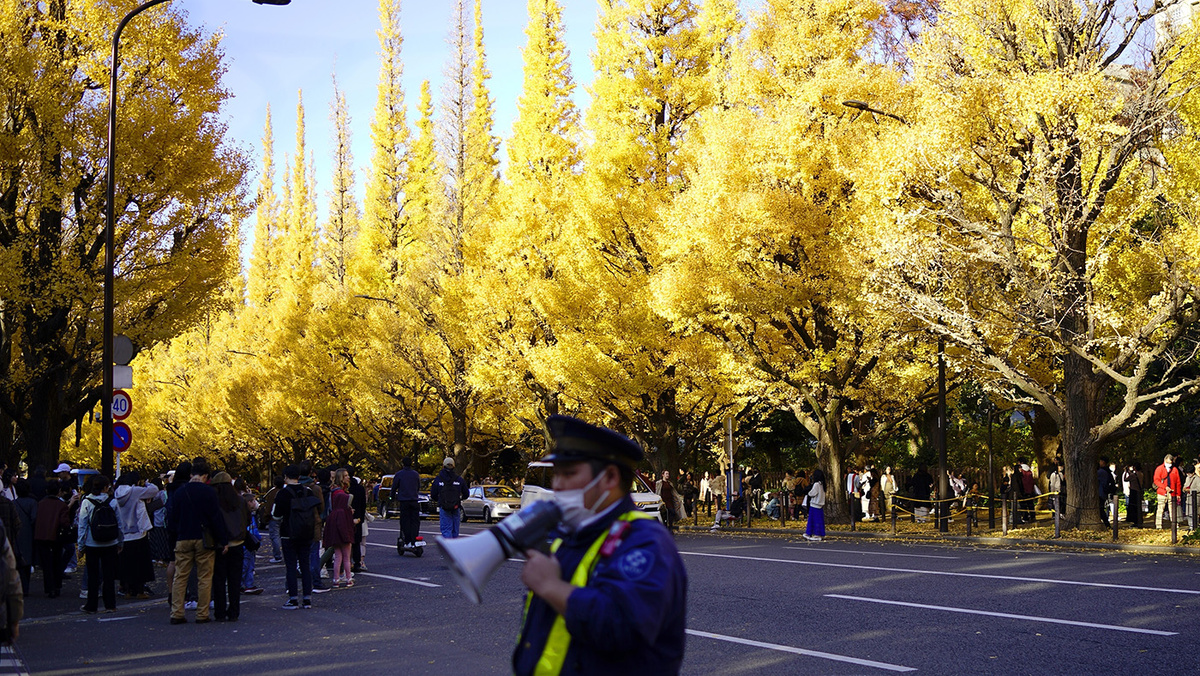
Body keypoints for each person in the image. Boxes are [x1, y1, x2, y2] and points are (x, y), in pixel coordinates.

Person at [513, 415, 687, 676]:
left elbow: (622, 627)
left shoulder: (645, 541)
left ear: (610, 477)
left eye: (569, 473)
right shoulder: (573, 534)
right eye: (557, 474)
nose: (557, 485)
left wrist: (551, 587)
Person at [166, 458, 227, 624]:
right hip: (203, 538)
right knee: (205, 577)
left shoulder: (180, 492)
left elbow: (172, 518)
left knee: (181, 576)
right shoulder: (209, 492)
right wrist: (223, 539)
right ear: (206, 476)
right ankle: (202, 613)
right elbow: (216, 518)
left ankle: (177, 613)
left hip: (182, 537)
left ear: (191, 475)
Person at [273, 465, 319, 610]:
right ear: (298, 476)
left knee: (291, 566)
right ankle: (307, 598)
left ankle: (293, 598)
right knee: (305, 565)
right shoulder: (308, 491)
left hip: (288, 533)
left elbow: (276, 515)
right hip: (306, 532)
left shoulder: (282, 493)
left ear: (285, 477)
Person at [77, 474, 124, 614]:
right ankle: (110, 605)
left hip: (92, 542)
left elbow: (82, 525)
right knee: (109, 574)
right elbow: (119, 524)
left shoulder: (87, 501)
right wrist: (120, 541)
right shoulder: (112, 502)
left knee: (93, 575)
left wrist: (81, 546)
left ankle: (91, 605)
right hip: (110, 542)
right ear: (105, 487)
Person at [210, 472, 249, 622]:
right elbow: (247, 520)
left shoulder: (215, 502)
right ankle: (234, 611)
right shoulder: (240, 501)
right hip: (238, 543)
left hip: (220, 544)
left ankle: (220, 611)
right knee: (234, 580)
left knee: (219, 580)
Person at [114, 472, 157, 599]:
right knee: (140, 564)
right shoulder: (135, 491)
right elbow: (154, 490)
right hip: (138, 532)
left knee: (126, 563)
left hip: (123, 533)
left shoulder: (117, 493)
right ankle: (139, 591)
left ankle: (127, 590)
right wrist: (147, 483)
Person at [323, 470, 355, 587]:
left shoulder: (333, 492)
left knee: (337, 556)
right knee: (346, 556)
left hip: (334, 525)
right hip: (344, 526)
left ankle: (336, 579)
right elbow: (346, 512)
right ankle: (348, 578)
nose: (348, 477)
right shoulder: (343, 495)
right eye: (345, 475)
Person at [430, 457, 468, 539]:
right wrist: (459, 499)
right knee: (455, 530)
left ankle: (448, 544)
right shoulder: (459, 479)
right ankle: (454, 544)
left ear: (443, 466)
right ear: (453, 466)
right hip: (456, 506)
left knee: (446, 529)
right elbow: (466, 493)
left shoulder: (438, 479)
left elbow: (433, 494)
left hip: (444, 506)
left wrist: (440, 500)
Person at [13, 480, 36, 596]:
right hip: (29, 533)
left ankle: (19, 586)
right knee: (27, 560)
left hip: (16, 534)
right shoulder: (32, 503)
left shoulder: (13, 503)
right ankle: (25, 587)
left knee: (17, 560)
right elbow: (34, 518)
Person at [392, 457, 421, 548]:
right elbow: (418, 486)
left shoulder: (399, 474)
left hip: (404, 500)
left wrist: (392, 497)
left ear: (403, 464)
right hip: (414, 500)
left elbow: (394, 487)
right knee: (415, 521)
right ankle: (414, 538)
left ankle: (407, 540)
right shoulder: (415, 474)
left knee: (405, 521)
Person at [1153, 454, 1184, 529]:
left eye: (1170, 463)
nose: (1169, 464)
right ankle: (1158, 525)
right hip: (1162, 492)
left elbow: (1178, 483)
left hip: (1172, 492)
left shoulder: (1174, 470)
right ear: (1164, 461)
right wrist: (1164, 487)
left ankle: (1174, 524)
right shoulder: (1159, 469)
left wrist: (1178, 494)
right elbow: (1156, 481)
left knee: (1172, 509)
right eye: (1167, 462)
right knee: (1160, 509)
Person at [347, 473, 367, 573]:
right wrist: (362, 518)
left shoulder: (345, 489)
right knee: (356, 542)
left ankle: (346, 564)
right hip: (358, 517)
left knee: (346, 542)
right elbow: (363, 504)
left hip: (347, 517)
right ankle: (357, 562)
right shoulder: (360, 488)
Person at [803, 469, 826, 541]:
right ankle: (820, 533)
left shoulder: (816, 484)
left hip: (814, 504)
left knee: (812, 520)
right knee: (819, 520)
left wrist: (809, 493)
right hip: (820, 504)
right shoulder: (822, 484)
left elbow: (812, 493)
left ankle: (814, 534)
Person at [1123, 462, 1142, 527]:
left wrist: (1126, 472)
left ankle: (1135, 521)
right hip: (1139, 491)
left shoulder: (1133, 475)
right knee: (1138, 507)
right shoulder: (1141, 474)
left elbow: (1125, 479)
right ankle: (1139, 521)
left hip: (1133, 491)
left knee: (1133, 507)